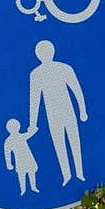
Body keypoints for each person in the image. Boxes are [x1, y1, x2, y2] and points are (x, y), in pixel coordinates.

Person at [27, 40, 87, 185]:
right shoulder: (36, 74)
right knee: (59, 144)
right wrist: (33, 123)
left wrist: (82, 111)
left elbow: (77, 90)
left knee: (74, 140)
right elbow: (35, 100)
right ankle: (66, 176)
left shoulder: (64, 68)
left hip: (67, 110)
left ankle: (79, 173)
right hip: (52, 114)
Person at [4, 117, 38, 193]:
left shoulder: (21, 136)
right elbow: (7, 153)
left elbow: (29, 134)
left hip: (28, 157)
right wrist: (9, 164)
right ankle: (23, 190)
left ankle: (33, 187)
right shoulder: (9, 141)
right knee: (21, 174)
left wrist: (34, 130)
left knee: (31, 171)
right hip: (19, 160)